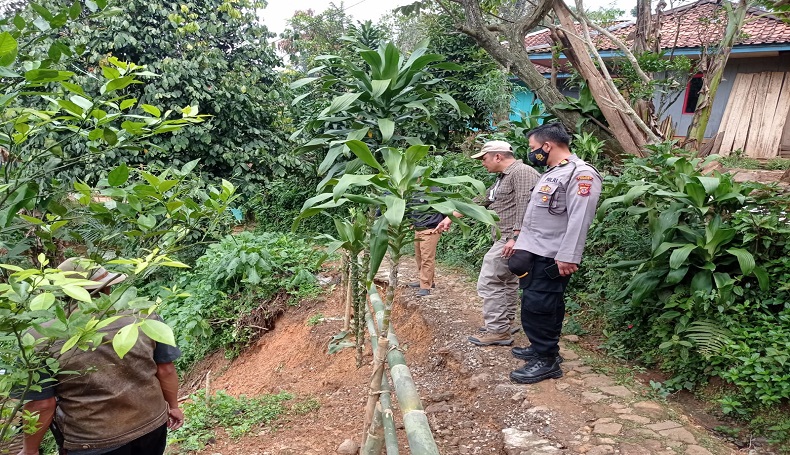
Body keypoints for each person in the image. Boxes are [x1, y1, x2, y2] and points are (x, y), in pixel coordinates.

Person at [18, 258, 184, 455]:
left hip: (93, 442)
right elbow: (166, 369)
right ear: (106, 289)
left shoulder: (39, 338)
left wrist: (30, 449)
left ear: (62, 293)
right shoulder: (144, 318)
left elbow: (42, 404)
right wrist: (173, 406)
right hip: (151, 425)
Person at [508, 122, 602, 384]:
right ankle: (542, 349)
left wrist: (569, 255)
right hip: (537, 250)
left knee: (540, 306)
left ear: (547, 146)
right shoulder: (552, 173)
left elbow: (580, 217)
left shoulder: (581, 174)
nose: (531, 153)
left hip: (553, 254)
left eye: (533, 148)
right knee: (540, 303)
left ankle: (547, 361)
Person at [436, 140, 540, 346]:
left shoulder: (522, 173)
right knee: (507, 281)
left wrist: (515, 238)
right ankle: (506, 322)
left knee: (490, 280)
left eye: (484, 158)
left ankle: (497, 330)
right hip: (507, 238)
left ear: (497, 156)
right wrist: (451, 216)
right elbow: (483, 199)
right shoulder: (504, 178)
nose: (482, 163)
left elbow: (527, 207)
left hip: (511, 238)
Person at [406, 188, 445, 297]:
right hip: (418, 229)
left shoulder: (434, 190)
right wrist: (411, 221)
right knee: (419, 257)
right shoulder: (413, 191)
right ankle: (427, 281)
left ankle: (425, 286)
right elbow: (411, 208)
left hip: (430, 229)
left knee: (427, 258)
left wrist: (444, 222)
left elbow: (445, 207)